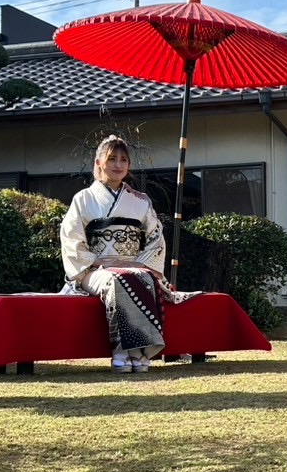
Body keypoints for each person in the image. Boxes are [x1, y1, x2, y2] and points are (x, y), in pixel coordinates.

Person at [60, 136, 190, 373]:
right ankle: (122, 348)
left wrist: (140, 264)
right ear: (99, 162)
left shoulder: (140, 201)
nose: (118, 165)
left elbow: (155, 239)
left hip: (135, 266)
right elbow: (71, 240)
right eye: (111, 159)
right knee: (117, 279)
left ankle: (139, 349)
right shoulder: (83, 199)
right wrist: (97, 261)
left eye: (123, 160)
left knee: (141, 277)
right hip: (94, 270)